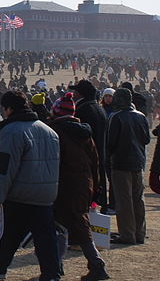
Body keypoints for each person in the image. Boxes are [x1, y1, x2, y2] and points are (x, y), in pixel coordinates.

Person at [0, 90, 61, 281]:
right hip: (46, 193)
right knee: (46, 238)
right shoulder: (48, 130)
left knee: (7, 235)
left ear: (8, 109)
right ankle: (51, 273)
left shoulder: (11, 131)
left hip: (20, 194)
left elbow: (4, 167)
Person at [46, 96, 109, 281]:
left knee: (64, 225)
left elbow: (55, 163)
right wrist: (96, 187)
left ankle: (96, 265)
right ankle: (56, 267)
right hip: (85, 184)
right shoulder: (85, 134)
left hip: (65, 185)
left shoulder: (56, 132)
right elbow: (95, 163)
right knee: (71, 224)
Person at [106, 87, 150, 246]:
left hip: (120, 163)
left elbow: (110, 143)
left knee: (124, 200)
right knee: (138, 199)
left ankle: (127, 234)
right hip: (138, 162)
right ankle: (139, 233)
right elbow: (146, 139)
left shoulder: (116, 117)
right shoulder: (141, 116)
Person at [72, 79, 108, 208]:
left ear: (81, 93)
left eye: (76, 91)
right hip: (100, 154)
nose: (74, 93)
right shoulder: (99, 109)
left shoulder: (83, 109)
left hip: (87, 157)